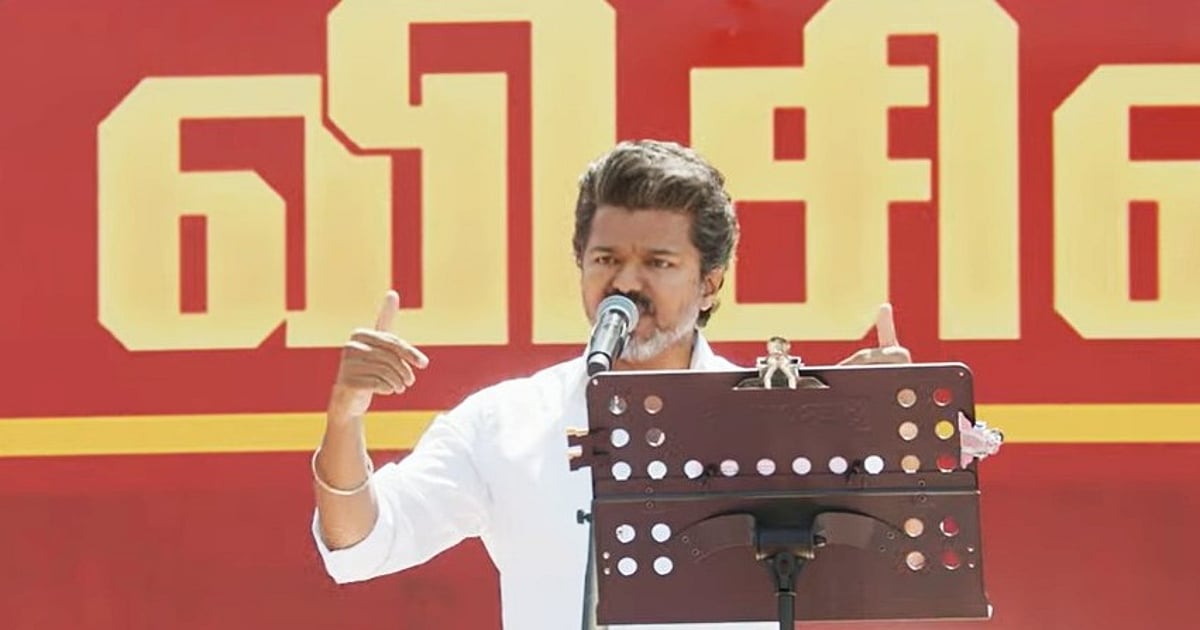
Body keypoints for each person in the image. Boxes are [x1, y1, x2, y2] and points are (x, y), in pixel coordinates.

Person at [310, 139, 911, 629]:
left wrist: (870, 429)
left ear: (710, 284)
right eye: (606, 259)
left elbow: (890, 563)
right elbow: (362, 544)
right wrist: (345, 418)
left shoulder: (774, 420)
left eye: (658, 262)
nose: (625, 282)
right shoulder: (508, 421)